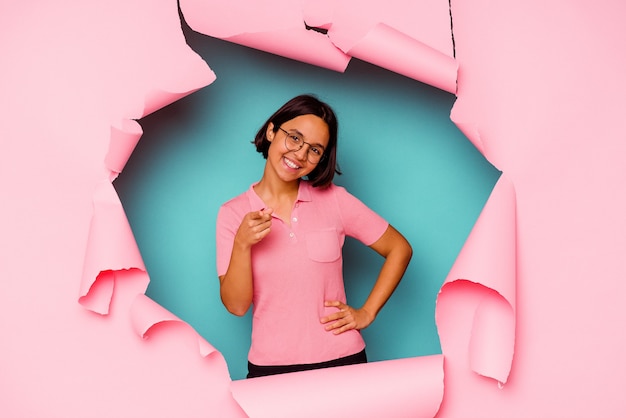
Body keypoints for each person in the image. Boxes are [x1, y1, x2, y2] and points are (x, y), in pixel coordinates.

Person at [216, 94, 412, 378]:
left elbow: (399, 249)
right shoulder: (233, 213)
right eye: (294, 138)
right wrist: (242, 244)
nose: (300, 154)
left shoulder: (335, 200)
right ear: (272, 131)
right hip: (271, 369)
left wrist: (366, 313)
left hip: (343, 361)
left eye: (314, 150)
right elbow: (236, 306)